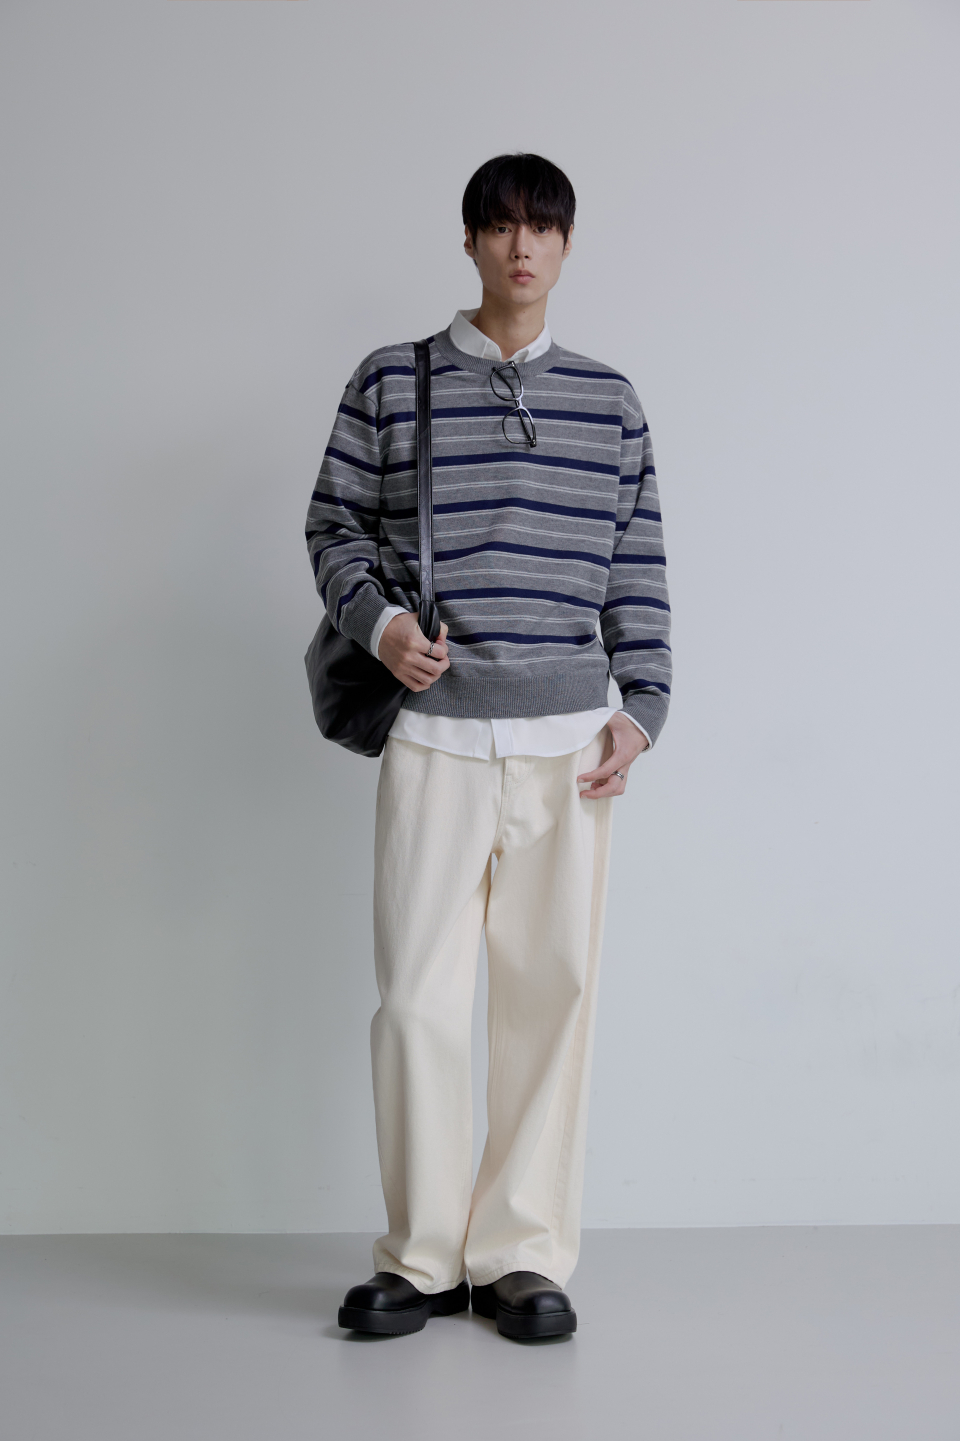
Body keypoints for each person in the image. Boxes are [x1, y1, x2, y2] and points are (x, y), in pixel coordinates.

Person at [306, 153, 671, 1341]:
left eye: (542, 227)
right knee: (418, 1001)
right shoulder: (393, 380)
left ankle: (520, 1253)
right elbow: (333, 524)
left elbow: (636, 562)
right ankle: (420, 1257)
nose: (523, 247)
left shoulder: (611, 402)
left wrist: (643, 706)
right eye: (502, 226)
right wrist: (382, 624)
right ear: (468, 241)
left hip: (571, 743)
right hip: (436, 735)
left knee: (548, 999)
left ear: (567, 245)